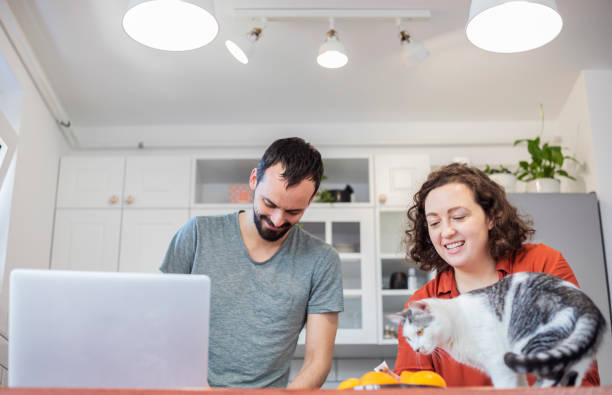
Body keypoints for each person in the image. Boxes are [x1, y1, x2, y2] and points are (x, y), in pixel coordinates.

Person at [392, 163, 600, 386]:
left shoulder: (542, 264)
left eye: (459, 217)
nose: (446, 231)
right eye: (434, 223)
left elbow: (579, 372)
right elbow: (413, 386)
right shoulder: (421, 307)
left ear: (491, 217)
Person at [160, 137, 343, 388]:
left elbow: (317, 362)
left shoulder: (322, 260)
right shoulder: (197, 234)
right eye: (269, 204)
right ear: (254, 179)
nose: (278, 220)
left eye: (293, 212)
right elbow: (162, 323)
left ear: (310, 201)